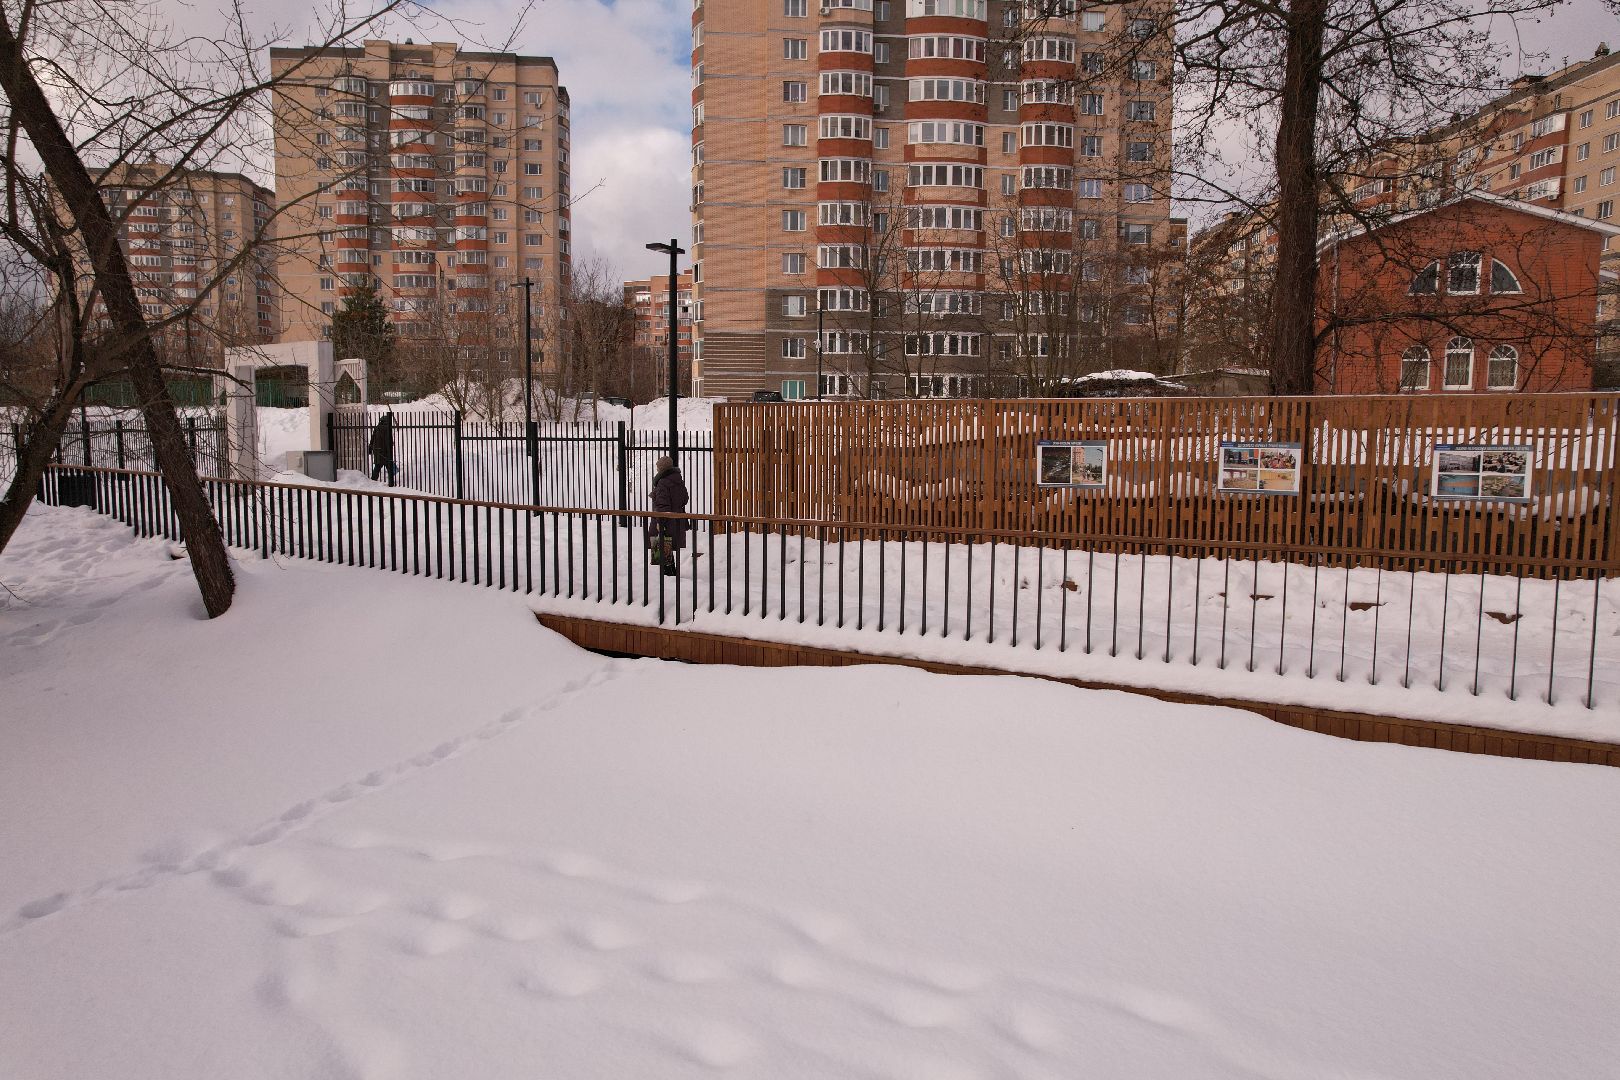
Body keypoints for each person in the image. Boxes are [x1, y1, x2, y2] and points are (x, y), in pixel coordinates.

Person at [649, 454, 689, 577]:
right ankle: (671, 572)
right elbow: (685, 499)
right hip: (676, 518)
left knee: (663, 545)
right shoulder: (678, 480)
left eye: (658, 467)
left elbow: (662, 505)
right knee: (667, 547)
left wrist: (660, 522)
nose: (657, 469)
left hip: (665, 520)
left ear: (662, 468)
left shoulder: (663, 483)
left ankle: (668, 576)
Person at [368, 411, 398, 486]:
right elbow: (388, 440)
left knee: (377, 466)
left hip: (377, 451)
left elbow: (372, 438)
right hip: (385, 451)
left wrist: (370, 448)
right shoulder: (387, 428)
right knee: (388, 466)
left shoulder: (377, 428)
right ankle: (391, 482)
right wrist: (390, 448)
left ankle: (373, 481)